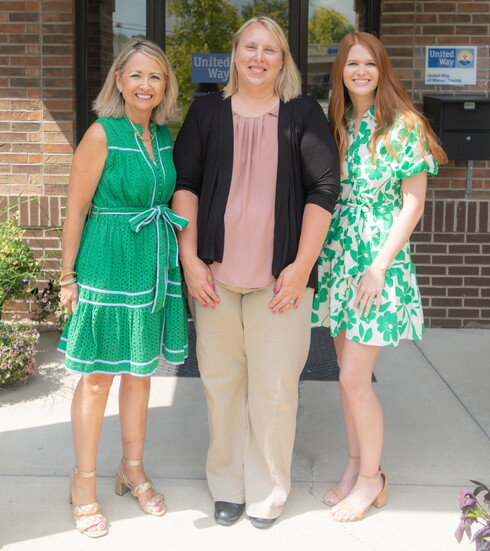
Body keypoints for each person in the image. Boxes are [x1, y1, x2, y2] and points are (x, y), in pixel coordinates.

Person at [172, 17, 339, 529]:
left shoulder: (303, 114)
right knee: (222, 386)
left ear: (282, 60)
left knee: (273, 390)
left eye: (270, 49)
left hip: (280, 284)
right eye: (250, 47)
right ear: (235, 54)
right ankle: (228, 484)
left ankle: (268, 490)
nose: (259, 57)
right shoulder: (206, 113)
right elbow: (187, 184)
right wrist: (190, 258)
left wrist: (300, 267)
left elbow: (324, 188)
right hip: (214, 278)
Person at [312, 32, 448, 523]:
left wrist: (377, 267)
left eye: (370, 63)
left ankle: (372, 478)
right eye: (353, 64)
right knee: (347, 379)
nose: (361, 72)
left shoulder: (403, 124)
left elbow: (413, 203)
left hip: (376, 263)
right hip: (339, 260)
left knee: (353, 377)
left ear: (382, 68)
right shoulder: (339, 122)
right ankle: (356, 466)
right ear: (341, 72)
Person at [58, 38, 188, 538]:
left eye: (155, 77)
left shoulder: (164, 135)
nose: (145, 85)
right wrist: (67, 276)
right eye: (136, 75)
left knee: (140, 373)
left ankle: (131, 468)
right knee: (96, 377)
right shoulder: (101, 133)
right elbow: (75, 209)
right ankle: (83, 482)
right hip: (107, 263)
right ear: (119, 80)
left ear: (165, 87)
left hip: (153, 262)